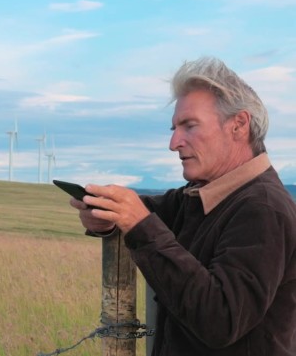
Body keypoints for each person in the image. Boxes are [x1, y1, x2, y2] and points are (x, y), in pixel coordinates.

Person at [69, 56, 296, 355]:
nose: (174, 142)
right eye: (174, 128)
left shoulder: (263, 209)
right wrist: (106, 214)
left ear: (239, 125)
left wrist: (141, 226)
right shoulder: (205, 196)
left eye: (189, 126)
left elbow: (222, 319)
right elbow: (151, 208)